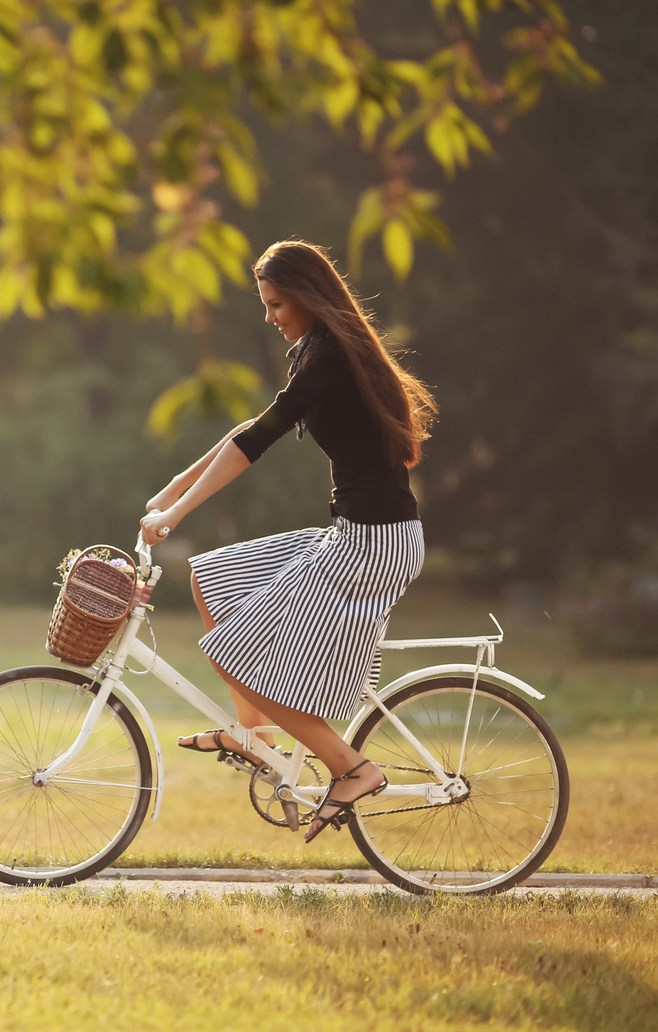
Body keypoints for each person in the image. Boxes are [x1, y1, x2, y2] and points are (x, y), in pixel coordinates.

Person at [138, 239, 437, 842]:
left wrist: (176, 513)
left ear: (303, 298)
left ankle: (351, 768)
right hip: (358, 532)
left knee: (235, 651)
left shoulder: (328, 357)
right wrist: (177, 483)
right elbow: (251, 427)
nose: (269, 317)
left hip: (373, 548)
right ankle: (253, 733)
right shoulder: (317, 352)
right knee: (210, 575)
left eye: (275, 304)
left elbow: (256, 443)